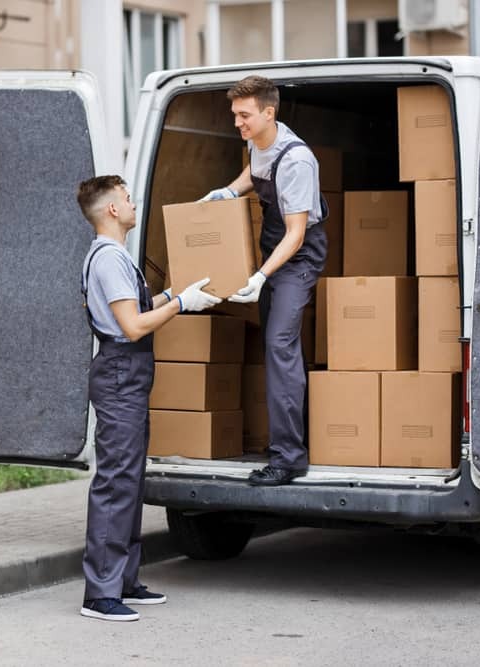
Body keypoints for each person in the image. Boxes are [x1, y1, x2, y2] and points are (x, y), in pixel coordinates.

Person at [77, 175, 221, 622]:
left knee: (131, 479)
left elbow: (138, 309)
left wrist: (178, 293)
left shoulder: (118, 256)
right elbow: (133, 326)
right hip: (122, 370)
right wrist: (181, 304)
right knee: (116, 482)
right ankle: (100, 594)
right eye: (127, 198)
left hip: (129, 372)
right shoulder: (107, 260)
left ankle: (123, 580)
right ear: (113, 211)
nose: (134, 202)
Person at [200, 75, 328, 487]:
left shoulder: (296, 161)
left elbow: (296, 234)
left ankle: (289, 458)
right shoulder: (258, 140)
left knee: (278, 345)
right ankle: (291, 443)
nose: (237, 122)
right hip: (272, 250)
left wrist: (260, 276)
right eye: (235, 115)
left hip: (298, 255)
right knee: (278, 350)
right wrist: (228, 191)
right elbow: (254, 172)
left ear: (269, 113)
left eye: (244, 115)